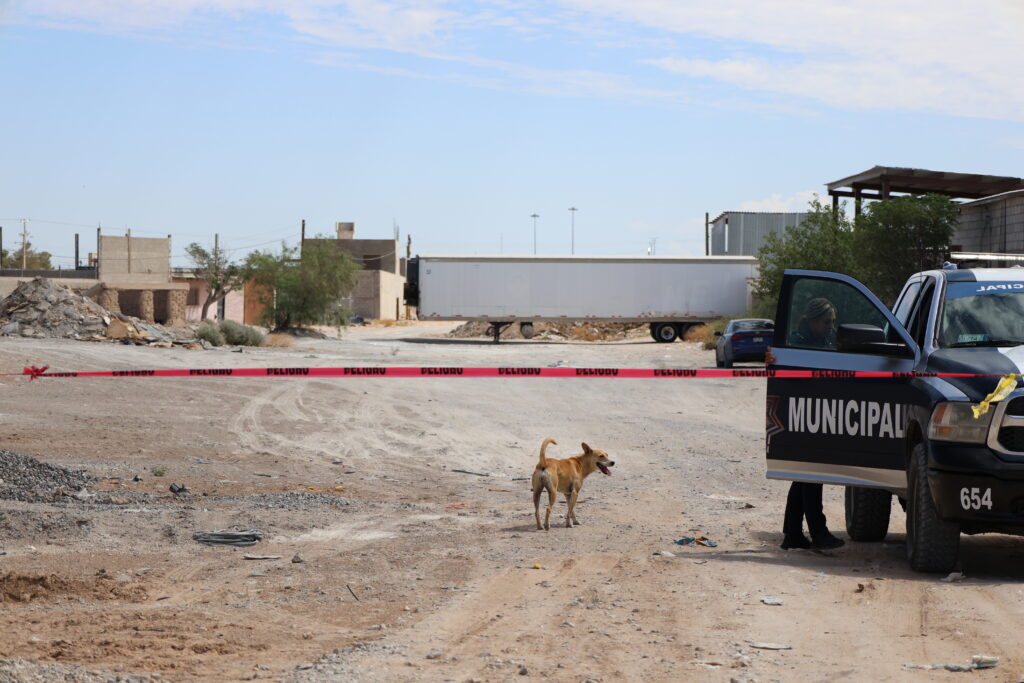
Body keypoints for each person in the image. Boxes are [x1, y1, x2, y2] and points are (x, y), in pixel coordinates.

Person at [781, 296, 844, 550]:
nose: (831, 327)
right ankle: (818, 532)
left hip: (817, 413)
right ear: (813, 321)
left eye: (832, 322)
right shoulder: (798, 343)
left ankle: (793, 533)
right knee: (812, 474)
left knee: (803, 476)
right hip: (804, 414)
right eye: (827, 322)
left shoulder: (823, 342)